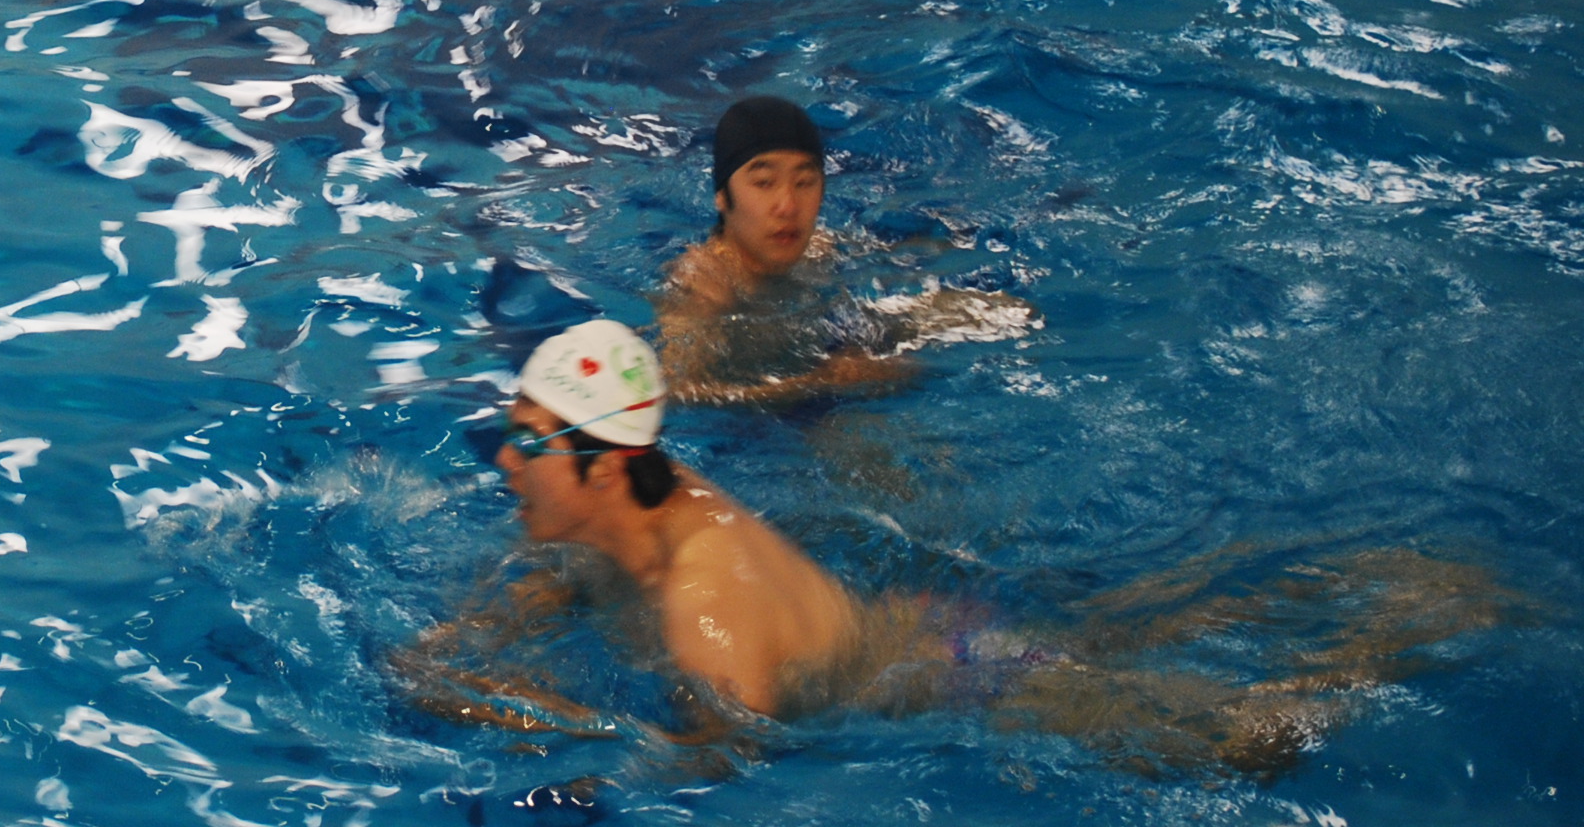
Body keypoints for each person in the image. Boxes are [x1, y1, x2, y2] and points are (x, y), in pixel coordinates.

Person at [395, 321, 1515, 778]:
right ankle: (1329, 589)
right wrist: (468, 645)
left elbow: (718, 761)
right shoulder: (639, 494)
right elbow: (565, 570)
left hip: (956, 680)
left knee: (1232, 745)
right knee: (1117, 637)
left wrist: (531, 720)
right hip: (922, 632)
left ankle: (1408, 632)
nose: (503, 460)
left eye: (524, 441)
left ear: (598, 466)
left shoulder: (709, 610)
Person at [656, 97, 1033, 409]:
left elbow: (886, 258)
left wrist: (955, 241)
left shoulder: (817, 248)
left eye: (804, 182)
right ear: (722, 196)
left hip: (833, 346)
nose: (787, 205)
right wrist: (823, 382)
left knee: (1009, 313)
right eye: (764, 182)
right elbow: (675, 393)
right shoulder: (703, 284)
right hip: (775, 416)